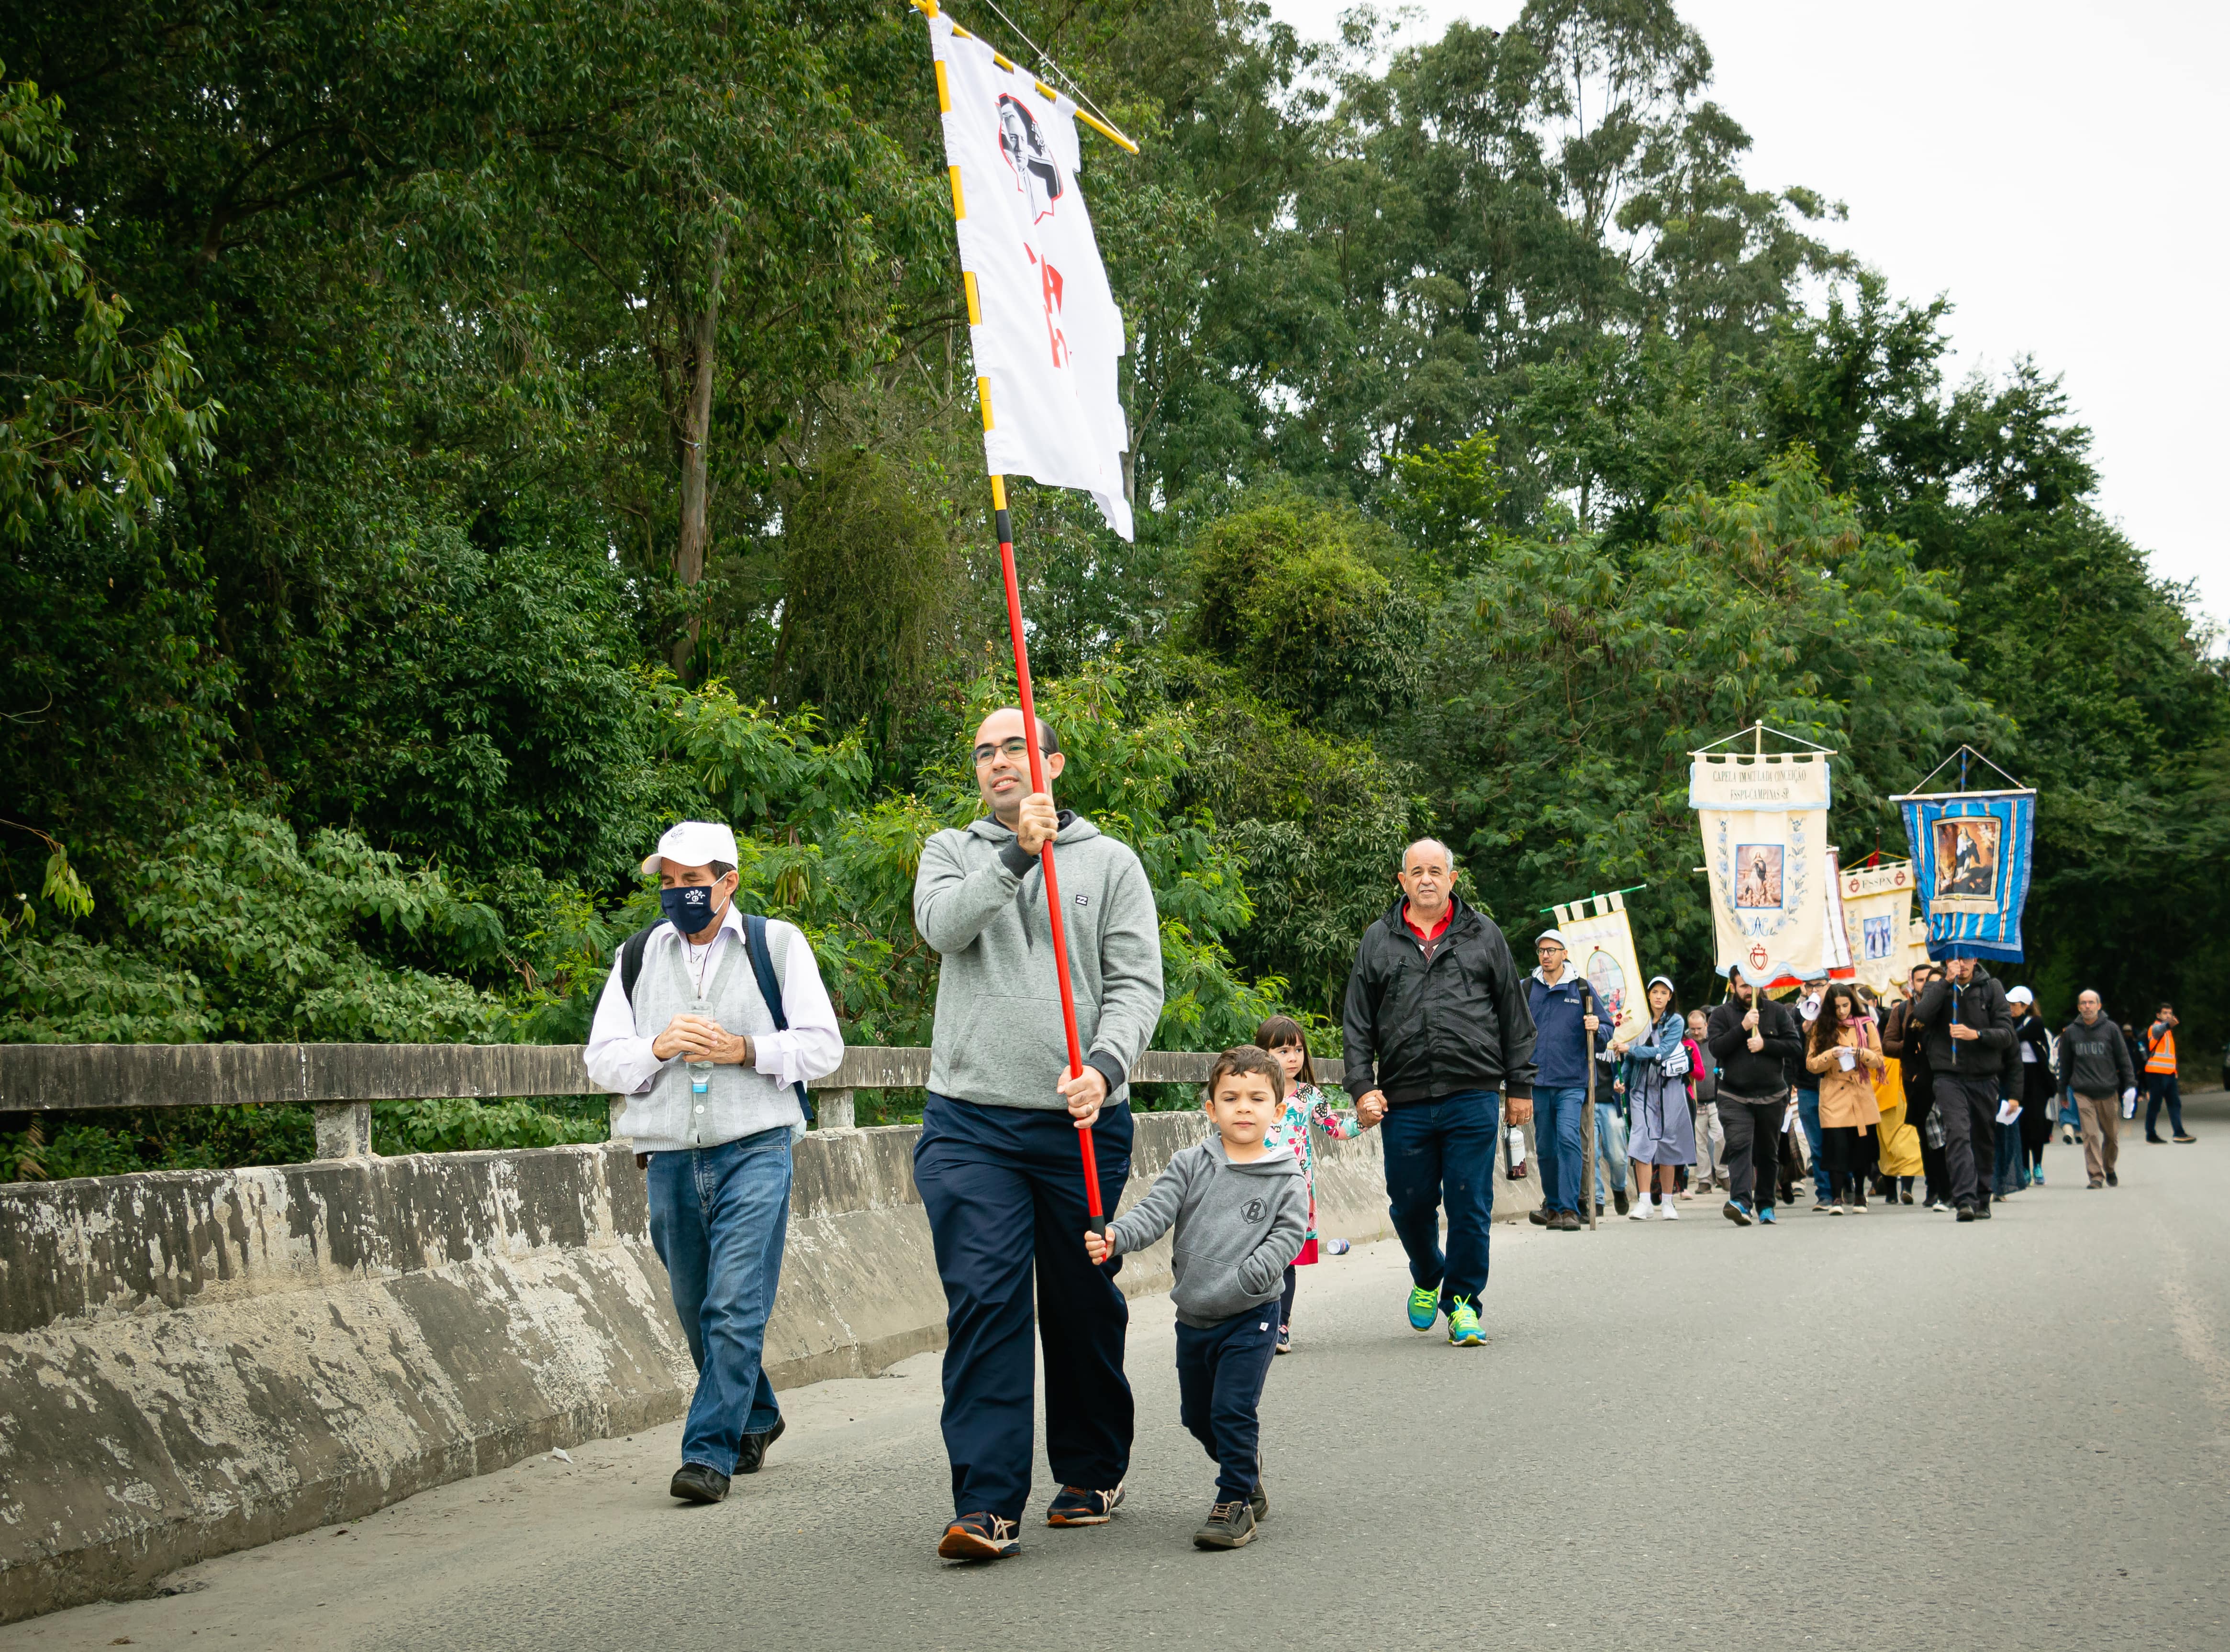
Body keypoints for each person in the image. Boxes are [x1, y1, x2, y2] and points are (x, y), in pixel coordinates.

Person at [912, 709, 1166, 1562]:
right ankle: (987, 1504)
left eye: (1015, 746)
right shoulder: (951, 850)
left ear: (1052, 763)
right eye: (984, 752)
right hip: (970, 1120)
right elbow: (944, 927)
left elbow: (1136, 983)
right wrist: (1017, 854)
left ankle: (1093, 1467)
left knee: (1079, 1299)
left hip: (1080, 1122)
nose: (998, 761)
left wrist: (1106, 1065)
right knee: (986, 1300)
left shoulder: (1111, 861)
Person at [585, 820, 845, 1505]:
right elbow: (602, 1059)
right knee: (697, 1307)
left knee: (733, 1302)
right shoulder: (638, 955)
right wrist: (657, 1047)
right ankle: (756, 1414)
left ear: (727, 883)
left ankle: (707, 1454)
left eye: (693, 881)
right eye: (669, 882)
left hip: (756, 1145)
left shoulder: (776, 944)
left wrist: (746, 1050)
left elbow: (824, 1047)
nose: (679, 893)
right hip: (669, 1156)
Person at [1087, 1046, 1306, 1552]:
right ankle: (1245, 1471)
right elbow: (1154, 1212)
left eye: (1257, 1098)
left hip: (1252, 1313)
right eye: (1231, 1097)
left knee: (1232, 1409)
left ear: (1277, 1109)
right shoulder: (1190, 1164)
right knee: (1199, 1417)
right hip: (1195, 1315)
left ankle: (1233, 1502)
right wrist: (1117, 1237)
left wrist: (1251, 1276)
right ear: (1211, 1108)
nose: (1243, 1107)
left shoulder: (1286, 1175)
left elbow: (1290, 1235)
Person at [1344, 839, 1537, 1343]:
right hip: (1403, 1097)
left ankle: (1464, 1304)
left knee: (1470, 1203)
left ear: (1452, 879)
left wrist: (1519, 1084)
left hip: (1472, 1092)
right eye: (1417, 871)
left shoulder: (1483, 934)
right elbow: (1358, 1022)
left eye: (1436, 870)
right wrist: (1362, 1085)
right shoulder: (1378, 940)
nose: (1426, 879)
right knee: (1409, 1205)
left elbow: (1513, 1013)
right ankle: (1429, 1273)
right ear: (1402, 881)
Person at [1255, 1014, 1371, 1354]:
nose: (1293, 1058)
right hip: (1256, 1189)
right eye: (1283, 1051)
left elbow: (1337, 1128)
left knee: (1286, 1260)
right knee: (1256, 1256)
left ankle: (1281, 1325)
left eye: (1298, 1050)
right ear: (1263, 1054)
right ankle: (1255, 1322)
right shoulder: (1254, 1094)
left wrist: (1364, 1121)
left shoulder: (1309, 1096)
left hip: (1296, 1191)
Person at [1909, 956, 2014, 1221]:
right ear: (1947, 961)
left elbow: (2006, 1034)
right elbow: (1920, 1017)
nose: (1961, 964)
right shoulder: (1937, 988)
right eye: (1955, 959)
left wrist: (1977, 1035)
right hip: (1948, 1075)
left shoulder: (1992, 987)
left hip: (1984, 1076)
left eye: (1966, 958)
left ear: (1975, 959)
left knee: (1982, 1137)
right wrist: (1945, 982)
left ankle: (1983, 1196)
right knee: (1957, 1133)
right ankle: (1964, 1199)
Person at [1524, 928, 1609, 1232]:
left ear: (1564, 954)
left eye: (1552, 950)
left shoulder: (1582, 988)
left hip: (1573, 1081)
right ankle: (1553, 1206)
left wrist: (1597, 1026)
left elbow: (1607, 1030)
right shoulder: (1527, 988)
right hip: (1537, 1081)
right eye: (1542, 951)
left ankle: (1571, 1208)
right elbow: (1513, 1028)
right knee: (1546, 1147)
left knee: (1569, 1138)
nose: (1546, 956)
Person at [1706, 972, 1805, 1225]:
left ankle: (1766, 1205)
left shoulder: (1777, 1012)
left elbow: (1795, 1047)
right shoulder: (1721, 1015)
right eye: (1743, 986)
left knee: (1768, 1152)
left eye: (1753, 985)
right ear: (1732, 987)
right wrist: (1743, 1028)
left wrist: (1766, 1045)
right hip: (1734, 1095)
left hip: (1772, 1095)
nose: (1749, 991)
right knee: (1739, 1146)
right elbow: (1716, 1048)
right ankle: (1740, 1202)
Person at [1615, 976, 1695, 1220]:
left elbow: (1663, 1052)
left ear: (1670, 997)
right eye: (1655, 992)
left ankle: (1668, 1202)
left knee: (1668, 1143)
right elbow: (1630, 1060)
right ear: (1648, 995)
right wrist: (1622, 1079)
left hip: (1669, 1088)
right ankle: (1644, 1201)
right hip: (1641, 1089)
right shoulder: (1638, 1021)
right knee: (1641, 1140)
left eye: (1664, 993)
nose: (1659, 997)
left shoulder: (1676, 1021)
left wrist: (1632, 1049)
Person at [1803, 983, 1885, 1214]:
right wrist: (1831, 1054)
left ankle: (1859, 1195)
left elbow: (1879, 1059)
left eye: (1846, 1006)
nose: (1841, 1011)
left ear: (1852, 1004)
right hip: (1833, 1094)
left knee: (1860, 1147)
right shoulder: (1821, 1027)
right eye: (1837, 1007)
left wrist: (1861, 1053)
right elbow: (1811, 1064)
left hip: (1860, 1092)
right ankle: (1836, 1198)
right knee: (1835, 1147)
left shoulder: (1866, 1024)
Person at [1882, 964, 1948, 1209]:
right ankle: (1933, 1188)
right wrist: (1912, 1049)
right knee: (1927, 1137)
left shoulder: (1950, 1005)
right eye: (1921, 980)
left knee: (1950, 1134)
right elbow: (1888, 1044)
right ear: (1913, 983)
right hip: (1917, 1081)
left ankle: (1952, 1186)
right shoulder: (1902, 1010)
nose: (1925, 985)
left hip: (1947, 1077)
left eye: (1930, 981)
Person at [2060, 991, 2136, 1189]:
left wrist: (2131, 1085)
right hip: (2082, 1092)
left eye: (2091, 1003)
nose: (2087, 1006)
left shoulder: (2111, 1029)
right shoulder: (2071, 1032)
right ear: (2079, 1007)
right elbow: (2065, 1064)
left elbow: (2124, 1059)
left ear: (2099, 1006)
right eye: (2083, 1003)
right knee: (2090, 1135)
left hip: (2108, 1091)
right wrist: (2062, 1092)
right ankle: (2096, 1175)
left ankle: (2109, 1167)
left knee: (2111, 1136)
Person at [1791, 975, 1834, 1212]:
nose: (1815, 990)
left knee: (1838, 1138)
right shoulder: (1797, 1014)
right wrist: (1804, 1029)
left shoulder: (1839, 1008)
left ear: (1829, 985)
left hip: (1835, 1084)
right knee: (1816, 1143)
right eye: (1811, 986)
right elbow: (1791, 1049)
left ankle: (1846, 1184)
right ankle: (1825, 1193)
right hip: (1808, 1086)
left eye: (1820, 985)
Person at [2008, 987, 2058, 1187]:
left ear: (2025, 1006)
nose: (2010, 1008)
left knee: (2036, 1121)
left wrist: (2004, 1034)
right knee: (2019, 1123)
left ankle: (2037, 1164)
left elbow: (2014, 1039)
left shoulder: (2035, 1023)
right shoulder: (2007, 1023)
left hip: (2036, 1078)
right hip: (2016, 1076)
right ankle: (2024, 1168)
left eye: (2014, 1005)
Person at [1685, 1008, 1727, 1196]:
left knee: (1721, 1137)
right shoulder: (1685, 1043)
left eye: (1699, 1028)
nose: (1696, 1032)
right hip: (1696, 1100)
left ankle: (1722, 1173)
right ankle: (1704, 1180)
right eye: (1692, 1029)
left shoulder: (1716, 1041)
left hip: (1716, 1098)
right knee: (1700, 1142)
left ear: (1706, 1025)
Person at [2142, 1004, 2195, 1144]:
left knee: (2175, 1104)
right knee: (2155, 1104)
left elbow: (2170, 1055)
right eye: (2165, 1013)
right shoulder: (2155, 1028)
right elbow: (2159, 1030)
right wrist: (2168, 1025)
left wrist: (2175, 1071)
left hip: (2169, 1074)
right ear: (2158, 1015)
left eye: (2170, 1013)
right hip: (2156, 1073)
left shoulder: (2169, 1033)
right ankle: (2151, 1134)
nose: (2168, 1016)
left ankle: (2179, 1133)